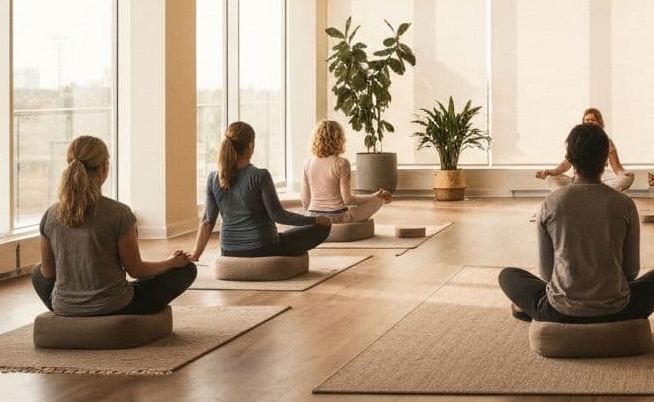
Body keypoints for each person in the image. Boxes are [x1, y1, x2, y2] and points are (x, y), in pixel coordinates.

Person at [499, 123, 654, 323]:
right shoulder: (625, 204)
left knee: (508, 276)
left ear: (571, 159)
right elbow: (630, 272)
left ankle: (534, 310)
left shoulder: (550, 203)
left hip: (560, 311)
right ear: (605, 160)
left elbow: (547, 273)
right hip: (617, 310)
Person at [32, 136, 196, 316]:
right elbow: (137, 271)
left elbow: (48, 273)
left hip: (64, 306)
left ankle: (72, 309)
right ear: (104, 169)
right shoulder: (119, 213)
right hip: (114, 305)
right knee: (186, 270)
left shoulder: (50, 215)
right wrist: (171, 262)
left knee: (36, 273)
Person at [192, 122, 333, 261]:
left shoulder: (213, 178)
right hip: (264, 247)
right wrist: (315, 220)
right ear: (250, 146)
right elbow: (278, 215)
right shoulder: (260, 175)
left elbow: (207, 222)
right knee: (322, 227)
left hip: (228, 250)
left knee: (284, 236)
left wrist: (195, 255)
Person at [302, 119, 392, 222]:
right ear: (339, 139)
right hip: (337, 218)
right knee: (379, 199)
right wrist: (374, 196)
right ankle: (378, 198)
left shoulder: (307, 163)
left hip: (314, 217)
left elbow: (305, 201)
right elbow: (348, 200)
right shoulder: (341, 163)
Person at [535, 108, 635, 192]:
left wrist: (624, 173)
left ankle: (588, 194)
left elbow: (618, 169)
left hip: (600, 182)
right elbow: (565, 165)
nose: (589, 122)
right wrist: (550, 172)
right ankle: (588, 194)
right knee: (551, 179)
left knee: (628, 178)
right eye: (586, 120)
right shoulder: (577, 140)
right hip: (576, 182)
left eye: (592, 120)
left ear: (599, 123)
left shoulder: (606, 142)